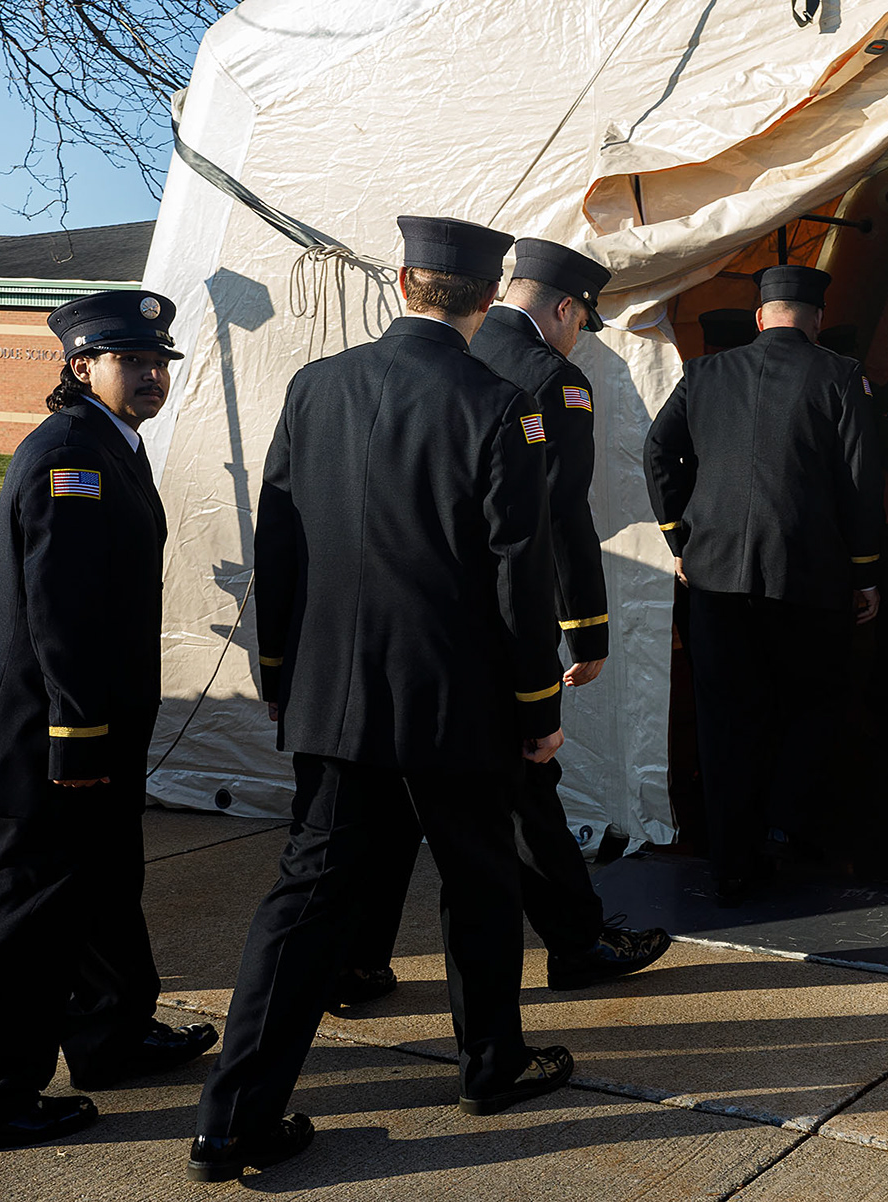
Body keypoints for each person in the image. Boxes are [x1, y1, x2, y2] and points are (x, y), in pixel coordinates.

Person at [186, 216, 573, 1182]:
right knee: (479, 883)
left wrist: (282, 677)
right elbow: (520, 575)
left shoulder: (315, 386)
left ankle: (231, 1120)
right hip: (456, 701)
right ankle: (490, 1064)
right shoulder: (500, 403)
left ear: (402, 281)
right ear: (488, 298)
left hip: (334, 695)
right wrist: (538, 705)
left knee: (306, 897)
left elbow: (279, 541)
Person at [335, 238, 668, 1004]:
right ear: (565, 308)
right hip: (487, 633)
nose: (578, 336)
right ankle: (575, 944)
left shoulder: (418, 355)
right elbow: (559, 518)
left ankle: (356, 957)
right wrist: (586, 628)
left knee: (388, 803)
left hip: (382, 624)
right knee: (522, 788)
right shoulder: (553, 380)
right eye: (580, 321)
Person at [0, 291, 217, 1157]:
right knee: (28, 924)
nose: (153, 375)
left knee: (104, 891)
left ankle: (111, 1035)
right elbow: (65, 614)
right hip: (48, 739)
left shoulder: (107, 445)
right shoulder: (71, 458)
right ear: (83, 366)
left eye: (160, 361)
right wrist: (80, 737)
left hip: (88, 731)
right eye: (133, 361)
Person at [642, 265, 884, 904]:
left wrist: (680, 537)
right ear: (817, 319)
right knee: (812, 703)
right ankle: (784, 828)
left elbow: (658, 451)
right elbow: (861, 479)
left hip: (716, 573)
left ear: (759, 317)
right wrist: (865, 571)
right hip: (808, 573)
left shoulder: (704, 374)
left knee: (725, 717)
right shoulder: (840, 375)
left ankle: (730, 862)